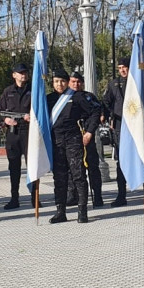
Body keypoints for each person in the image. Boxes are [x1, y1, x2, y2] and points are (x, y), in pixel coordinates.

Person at [47, 69, 100, 223]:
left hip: (73, 140)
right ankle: (60, 211)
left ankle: (82, 211)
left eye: (62, 81)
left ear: (67, 82)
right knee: (60, 177)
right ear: (53, 82)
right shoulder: (48, 99)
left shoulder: (77, 97)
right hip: (56, 142)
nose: (59, 84)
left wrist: (89, 132)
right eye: (56, 81)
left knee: (78, 175)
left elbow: (95, 111)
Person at [0, 63, 31, 209]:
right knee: (14, 167)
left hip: (29, 131)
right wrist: (5, 120)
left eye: (25, 72)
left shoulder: (33, 89)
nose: (23, 74)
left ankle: (35, 197)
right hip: (13, 132)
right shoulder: (8, 91)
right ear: (14, 75)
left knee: (32, 166)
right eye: (20, 72)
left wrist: (33, 116)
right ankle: (14, 198)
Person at [68, 72, 105, 207]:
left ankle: (98, 196)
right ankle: (73, 196)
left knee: (93, 167)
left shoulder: (88, 96)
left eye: (78, 82)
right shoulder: (64, 98)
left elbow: (96, 113)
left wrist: (89, 132)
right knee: (73, 168)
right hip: (71, 137)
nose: (75, 84)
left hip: (86, 135)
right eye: (72, 82)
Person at [101, 58, 129, 206]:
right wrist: (107, 114)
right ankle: (121, 195)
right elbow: (106, 101)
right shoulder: (114, 84)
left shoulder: (139, 81)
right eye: (120, 68)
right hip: (119, 127)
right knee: (121, 163)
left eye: (125, 67)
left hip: (137, 127)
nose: (122, 70)